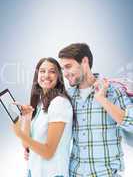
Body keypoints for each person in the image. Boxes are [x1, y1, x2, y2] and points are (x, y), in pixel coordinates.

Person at [58, 43, 133, 177]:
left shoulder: (113, 90)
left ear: (84, 61)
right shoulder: (67, 97)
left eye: (68, 66)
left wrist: (102, 99)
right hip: (74, 173)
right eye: (63, 69)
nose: (65, 73)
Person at [12, 57, 73, 177]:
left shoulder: (59, 103)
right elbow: (27, 146)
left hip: (52, 173)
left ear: (58, 77)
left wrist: (20, 134)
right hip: (34, 171)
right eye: (42, 71)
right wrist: (27, 118)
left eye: (52, 71)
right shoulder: (40, 103)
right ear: (37, 75)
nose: (46, 75)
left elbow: (48, 152)